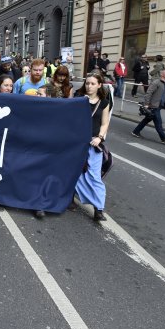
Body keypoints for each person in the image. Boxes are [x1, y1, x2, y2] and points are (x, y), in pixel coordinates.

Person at [70, 73, 111, 221]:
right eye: (87, 83)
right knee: (74, 172)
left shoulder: (104, 102)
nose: (89, 86)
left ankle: (98, 209)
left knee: (94, 176)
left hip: (94, 144)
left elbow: (105, 122)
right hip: (77, 143)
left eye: (93, 83)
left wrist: (99, 138)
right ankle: (70, 198)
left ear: (99, 85)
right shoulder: (78, 99)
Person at [132, 68, 165, 143]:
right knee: (158, 122)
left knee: (147, 119)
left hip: (159, 106)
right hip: (153, 106)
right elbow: (148, 93)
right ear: (162, 74)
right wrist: (146, 104)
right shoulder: (156, 82)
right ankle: (164, 138)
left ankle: (135, 131)